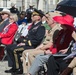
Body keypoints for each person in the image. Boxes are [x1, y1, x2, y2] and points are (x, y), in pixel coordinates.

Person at [5, 9, 45, 74]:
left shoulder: (41, 27)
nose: (32, 16)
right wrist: (22, 41)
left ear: (38, 17)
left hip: (31, 46)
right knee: (9, 47)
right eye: (32, 15)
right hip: (27, 44)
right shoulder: (34, 26)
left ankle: (19, 68)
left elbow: (37, 40)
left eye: (34, 15)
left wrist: (25, 43)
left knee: (15, 50)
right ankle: (13, 66)